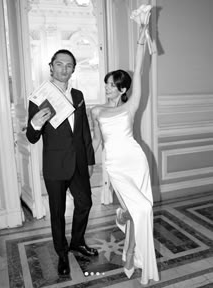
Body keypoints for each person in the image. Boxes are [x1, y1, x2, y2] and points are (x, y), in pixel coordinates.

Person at [91, 21, 159, 285]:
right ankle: (131, 243)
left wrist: (141, 38)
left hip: (135, 161)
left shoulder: (130, 106)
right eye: (106, 83)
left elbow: (139, 71)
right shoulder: (96, 111)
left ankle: (131, 252)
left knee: (138, 210)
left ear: (122, 90)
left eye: (111, 85)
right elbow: (97, 142)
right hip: (116, 166)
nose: (107, 88)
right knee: (140, 207)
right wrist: (85, 165)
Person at [26, 49, 98, 276]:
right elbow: (32, 137)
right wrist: (35, 124)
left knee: (85, 203)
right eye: (59, 64)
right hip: (55, 164)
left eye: (69, 66)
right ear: (51, 67)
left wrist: (90, 159)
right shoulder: (38, 97)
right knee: (56, 213)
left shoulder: (78, 95)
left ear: (73, 70)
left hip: (78, 162)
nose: (64, 69)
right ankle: (61, 252)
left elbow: (84, 131)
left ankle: (77, 242)